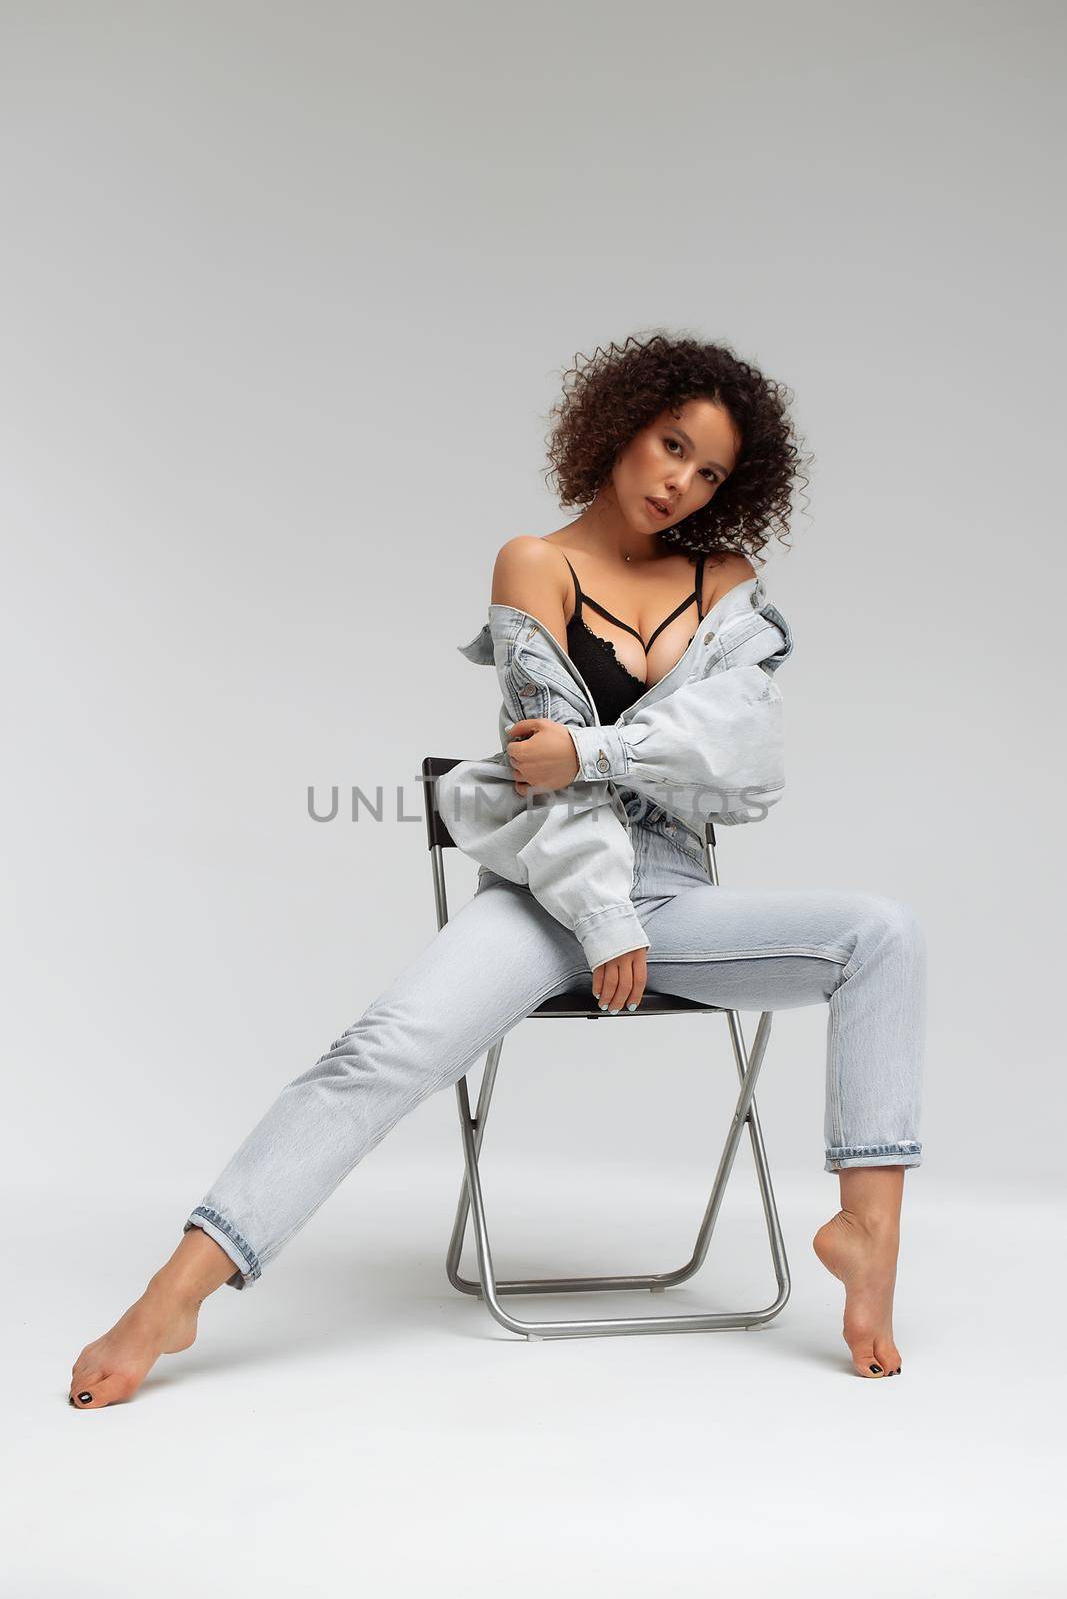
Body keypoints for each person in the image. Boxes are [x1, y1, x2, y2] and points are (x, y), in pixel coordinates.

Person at [68, 332, 923, 1408]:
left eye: (707, 471)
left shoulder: (728, 584)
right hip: (542, 898)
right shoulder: (535, 563)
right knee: (378, 1050)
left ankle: (865, 1238)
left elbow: (746, 770)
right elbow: (537, 775)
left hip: (675, 903)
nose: (679, 482)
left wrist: (599, 753)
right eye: (670, 446)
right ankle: (176, 1289)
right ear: (619, 423)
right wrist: (603, 911)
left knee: (882, 933)